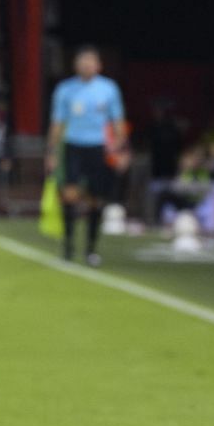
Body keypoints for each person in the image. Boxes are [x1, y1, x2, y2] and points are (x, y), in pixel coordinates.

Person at [45, 46, 125, 266]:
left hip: (98, 148)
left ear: (98, 65)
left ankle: (91, 249)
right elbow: (57, 123)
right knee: (69, 196)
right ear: (76, 64)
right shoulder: (65, 89)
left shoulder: (108, 89)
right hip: (73, 146)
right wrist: (51, 151)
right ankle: (68, 246)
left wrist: (121, 148)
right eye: (83, 61)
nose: (87, 65)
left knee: (95, 200)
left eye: (91, 61)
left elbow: (117, 121)